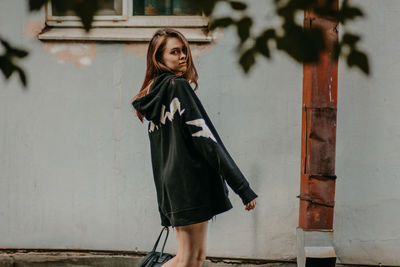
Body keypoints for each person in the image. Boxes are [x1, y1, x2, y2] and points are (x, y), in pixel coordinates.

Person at [131, 28, 258, 267]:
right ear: (159, 58)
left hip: (176, 187)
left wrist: (165, 206)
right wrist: (242, 187)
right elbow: (207, 139)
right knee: (188, 259)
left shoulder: (156, 94)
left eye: (184, 51)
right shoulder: (177, 87)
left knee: (195, 259)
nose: (183, 57)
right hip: (190, 185)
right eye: (175, 52)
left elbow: (159, 158)